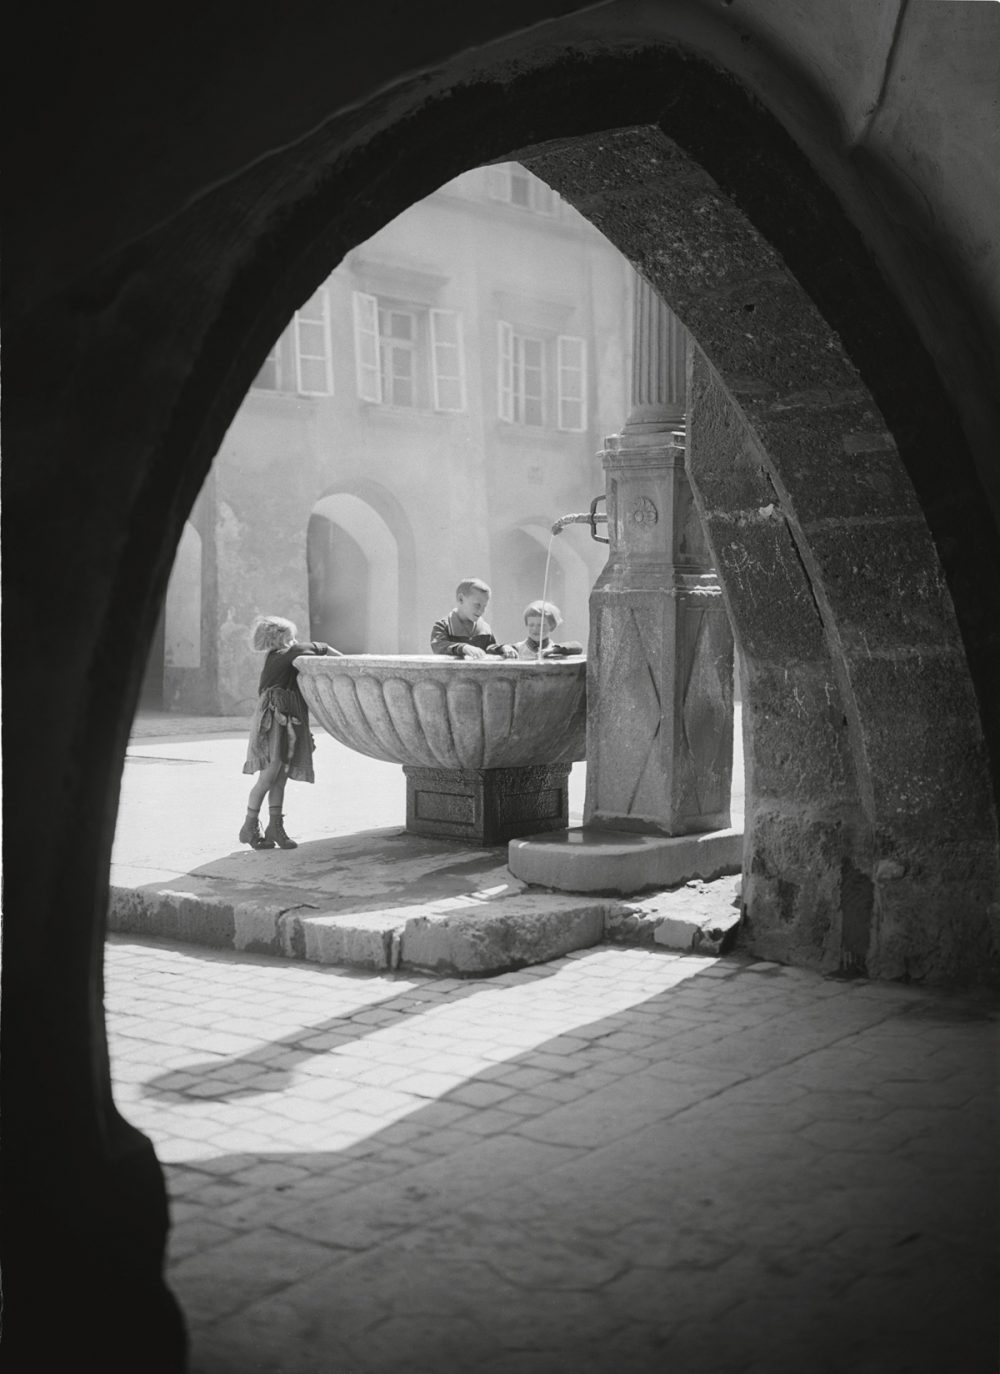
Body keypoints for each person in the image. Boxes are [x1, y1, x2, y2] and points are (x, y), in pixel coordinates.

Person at [239, 615, 343, 850]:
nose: (296, 640)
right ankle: (249, 826)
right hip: (277, 719)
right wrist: (346, 661)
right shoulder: (288, 653)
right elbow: (323, 648)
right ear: (281, 638)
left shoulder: (276, 656)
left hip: (286, 717)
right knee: (269, 775)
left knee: (280, 776)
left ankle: (275, 827)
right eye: (291, 636)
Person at [430, 578, 517, 659]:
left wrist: (502, 648)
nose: (482, 611)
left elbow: (489, 648)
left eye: (484, 606)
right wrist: (463, 648)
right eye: (477, 605)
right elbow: (439, 646)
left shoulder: (484, 628)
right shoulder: (443, 626)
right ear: (461, 599)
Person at [512, 600, 584, 660]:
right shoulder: (518, 648)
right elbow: (503, 649)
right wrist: (504, 648)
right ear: (526, 625)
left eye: (541, 625)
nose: (535, 629)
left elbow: (578, 646)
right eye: (531, 625)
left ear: (552, 627)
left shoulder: (554, 649)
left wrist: (554, 650)